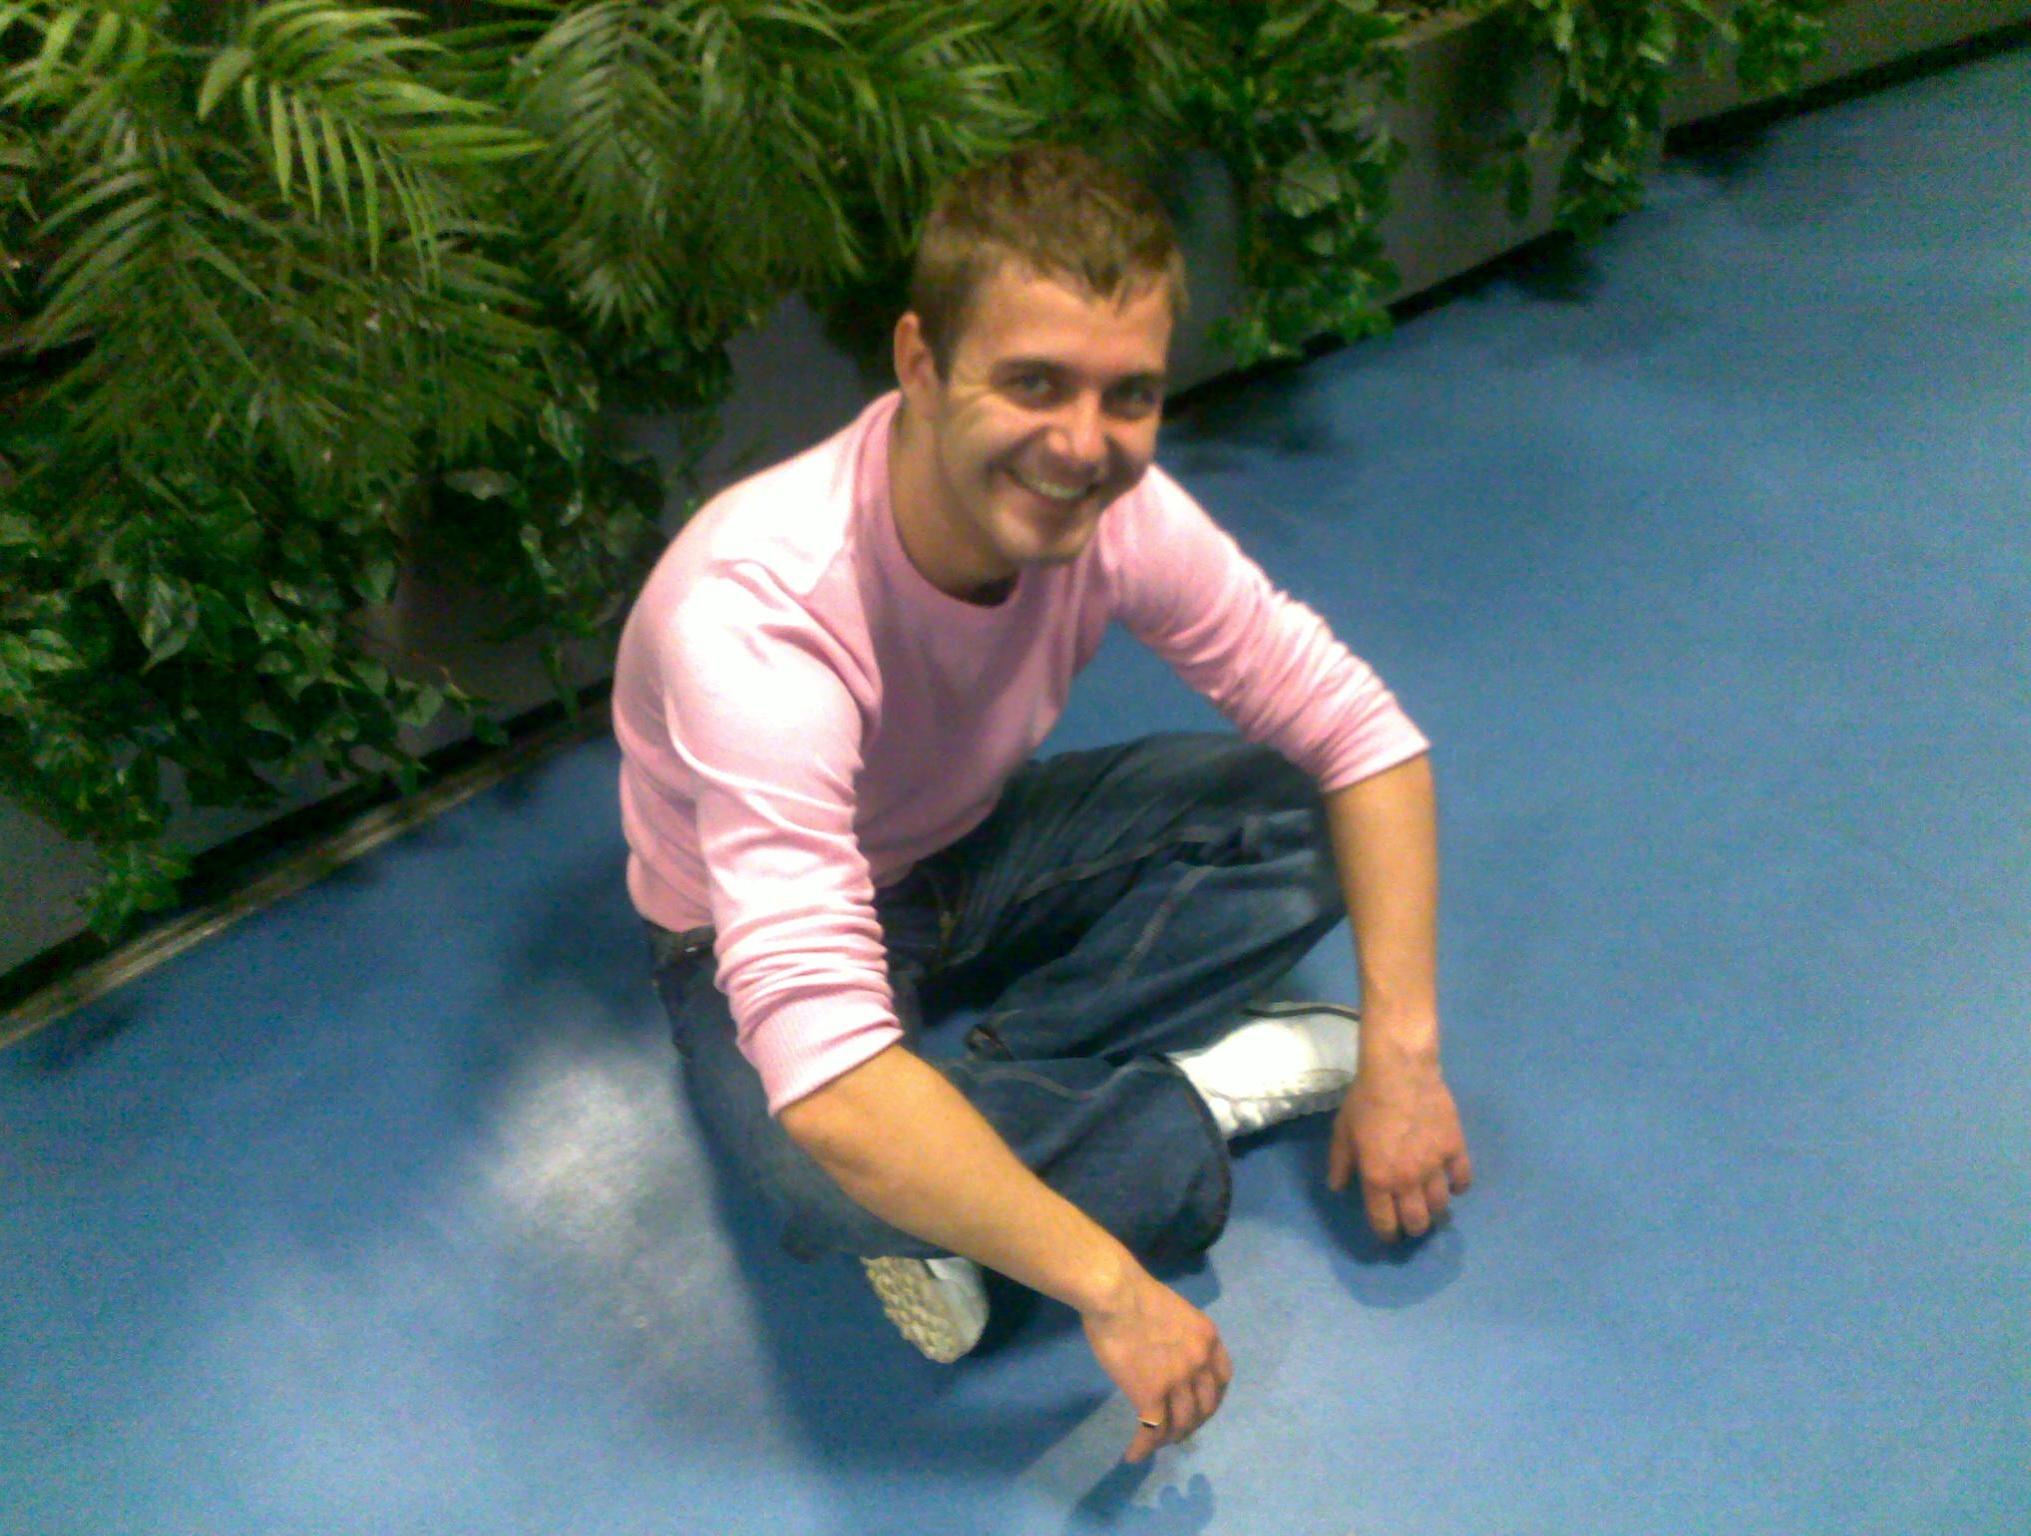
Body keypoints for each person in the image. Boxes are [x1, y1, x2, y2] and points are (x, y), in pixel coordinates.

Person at [612, 144, 1471, 1464]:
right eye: (1033, 383)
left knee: (1301, 813)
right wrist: (1111, 1286)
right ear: (918, 362)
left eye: (1130, 396)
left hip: (967, 848)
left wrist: (1404, 1053)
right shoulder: (763, 614)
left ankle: (975, 1132)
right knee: (819, 1167)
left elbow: (1364, 736)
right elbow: (828, 1086)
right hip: (728, 937)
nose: (1083, 446)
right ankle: (1199, 1100)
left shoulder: (1119, 514)